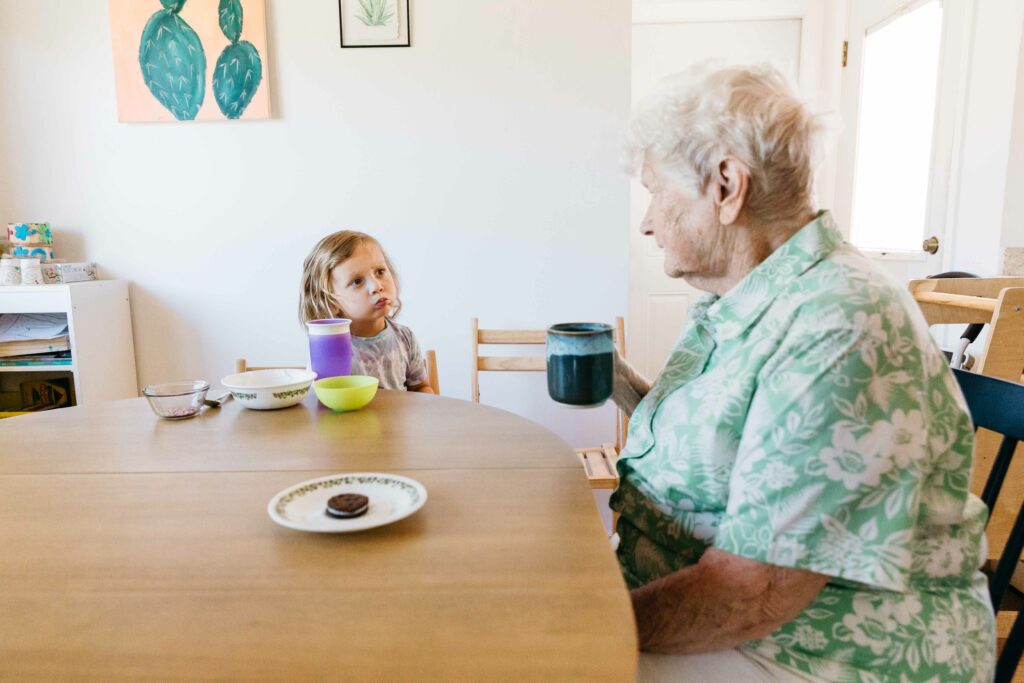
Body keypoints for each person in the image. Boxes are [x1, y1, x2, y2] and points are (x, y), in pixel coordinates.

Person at [609, 62, 995, 682]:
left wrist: (588, 619)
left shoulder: (840, 323)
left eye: (656, 191)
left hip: (811, 651)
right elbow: (724, 441)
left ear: (726, 186)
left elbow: (749, 592)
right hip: (705, 598)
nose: (648, 221)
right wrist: (617, 379)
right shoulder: (748, 297)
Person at [299, 231, 433, 393]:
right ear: (331, 302)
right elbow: (321, 401)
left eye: (380, 272)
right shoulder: (327, 347)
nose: (377, 286)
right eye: (357, 281)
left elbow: (420, 387)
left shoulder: (405, 338)